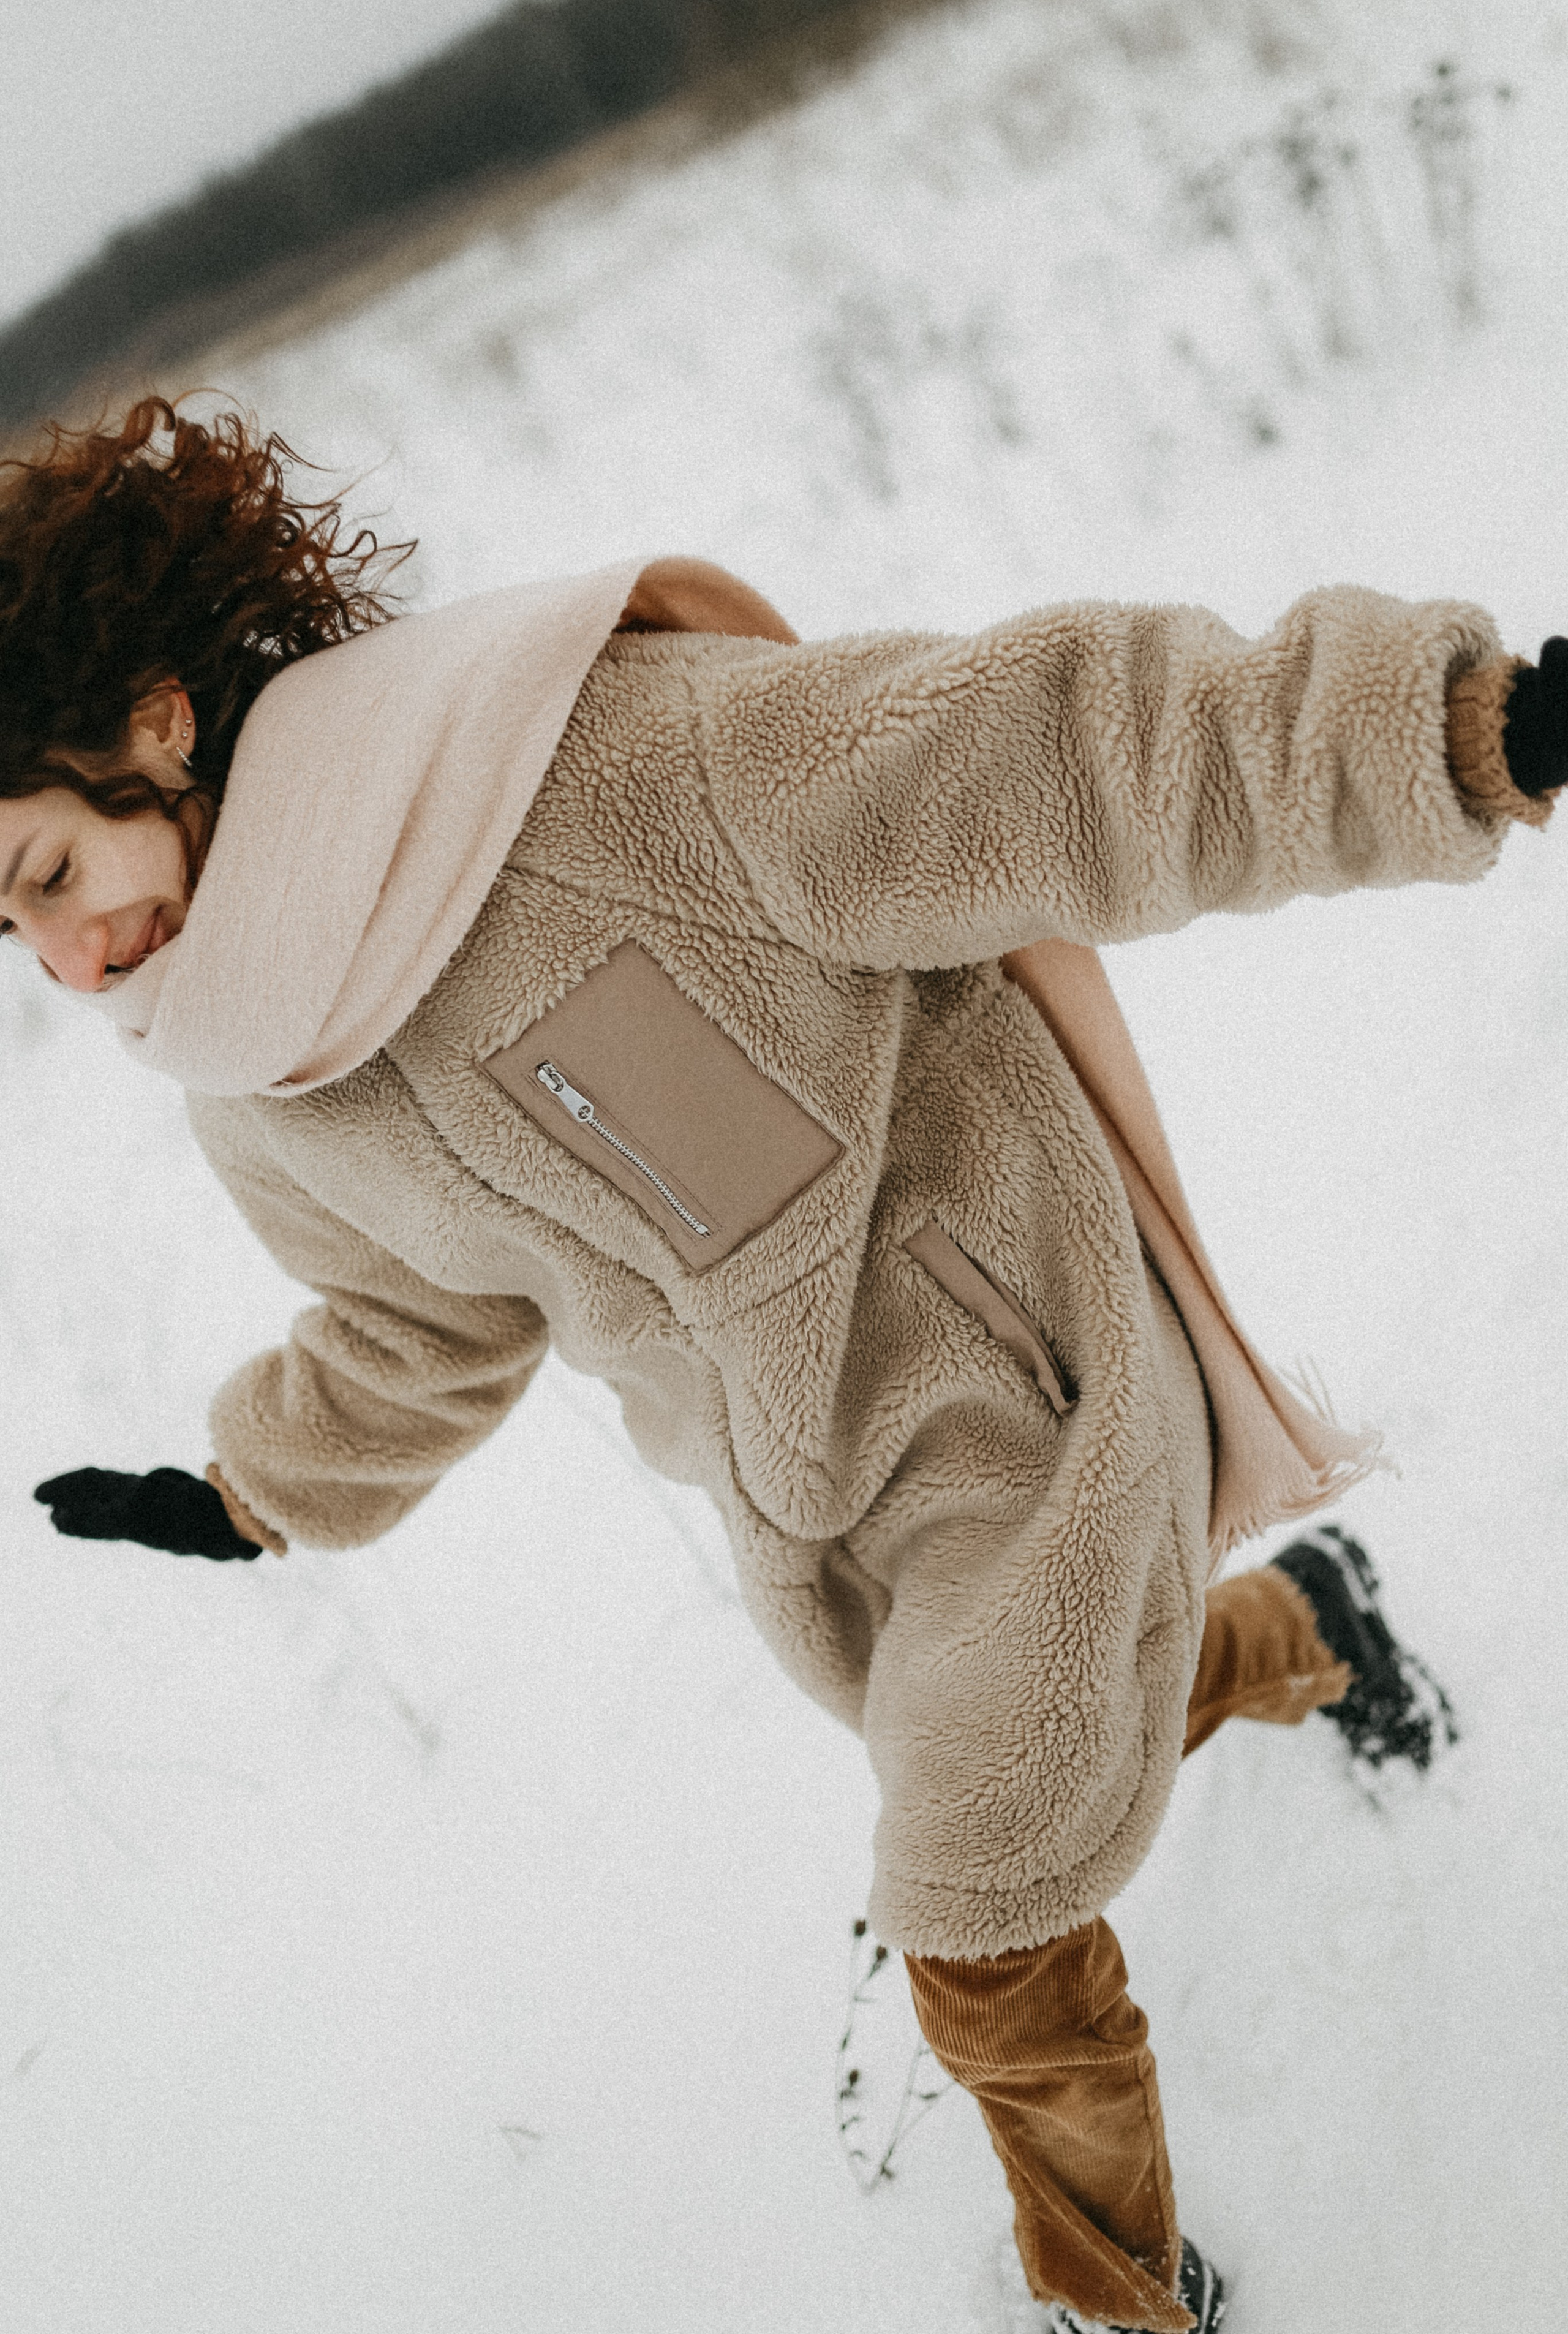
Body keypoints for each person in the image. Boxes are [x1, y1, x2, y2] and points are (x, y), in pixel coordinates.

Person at [4, 399, 1562, 2334]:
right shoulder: (258, 1078)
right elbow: (422, 1326)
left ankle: (1118, 2303)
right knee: (1023, 1764)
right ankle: (1309, 1622)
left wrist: (1435, 733)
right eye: (15, 930)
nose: (71, 967)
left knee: (983, 1901)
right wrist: (252, 1489)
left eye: (48, 870)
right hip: (809, 1492)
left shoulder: (587, 778)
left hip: (1025, 1378)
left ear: (153, 720)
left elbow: (1034, 756)